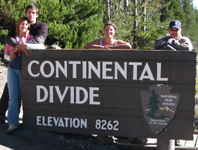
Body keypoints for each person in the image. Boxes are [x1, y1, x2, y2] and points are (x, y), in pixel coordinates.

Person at [0, 4, 48, 123]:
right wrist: (20, 46)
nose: (31, 14)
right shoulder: (22, 23)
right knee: (10, 91)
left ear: (37, 14)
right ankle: (4, 116)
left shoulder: (41, 26)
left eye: (33, 12)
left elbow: (40, 41)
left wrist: (26, 45)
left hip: (35, 65)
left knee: (30, 93)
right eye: (29, 12)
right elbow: (8, 38)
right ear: (26, 13)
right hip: (18, 63)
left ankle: (33, 120)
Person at [4, 17, 34, 134]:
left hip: (24, 70)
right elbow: (6, 54)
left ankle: (25, 121)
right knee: (13, 95)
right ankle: (12, 123)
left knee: (22, 95)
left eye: (26, 24)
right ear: (18, 25)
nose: (24, 26)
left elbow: (40, 47)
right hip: (12, 69)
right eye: (22, 24)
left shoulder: (30, 38)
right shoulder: (12, 39)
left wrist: (23, 47)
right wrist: (11, 54)